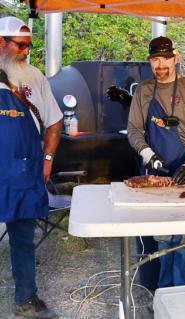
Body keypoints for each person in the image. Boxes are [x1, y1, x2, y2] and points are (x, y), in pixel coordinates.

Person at [127, 36, 185, 289]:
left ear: (175, 59)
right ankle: (163, 296)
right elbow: (133, 129)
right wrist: (147, 154)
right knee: (162, 240)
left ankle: (183, 299)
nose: (161, 64)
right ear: (150, 62)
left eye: (165, 58)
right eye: (155, 59)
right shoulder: (143, 90)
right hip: (154, 178)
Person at [0, 16, 63, 319]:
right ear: (1, 42)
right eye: (21, 45)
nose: (26, 51)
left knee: (23, 237)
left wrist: (47, 160)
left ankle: (26, 297)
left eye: (29, 45)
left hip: (24, 170)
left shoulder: (34, 76)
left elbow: (54, 121)